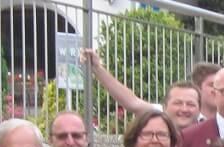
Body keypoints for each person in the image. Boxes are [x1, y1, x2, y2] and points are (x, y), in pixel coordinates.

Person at [80, 50, 208, 128]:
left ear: (199, 109)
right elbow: (131, 102)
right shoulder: (158, 115)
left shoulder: (208, 127)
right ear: (164, 107)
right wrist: (97, 68)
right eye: (178, 103)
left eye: (191, 104)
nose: (184, 109)